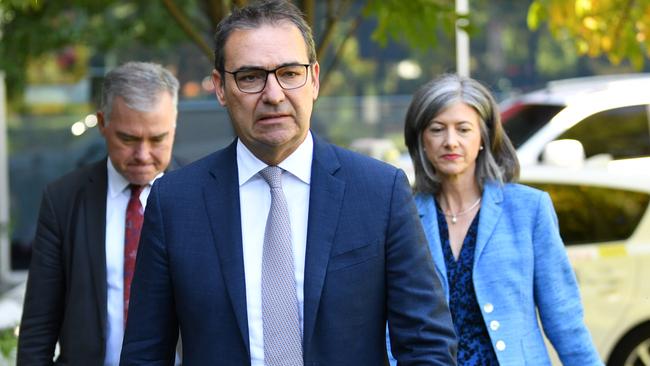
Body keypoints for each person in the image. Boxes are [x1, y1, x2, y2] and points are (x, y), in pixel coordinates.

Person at [119, 1, 457, 365]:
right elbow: (145, 352)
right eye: (250, 77)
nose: (274, 95)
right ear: (220, 88)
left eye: (289, 73)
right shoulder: (174, 202)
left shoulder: (379, 192)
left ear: (313, 79)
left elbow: (427, 345)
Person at [403, 73, 602, 365]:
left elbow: (565, 320)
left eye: (463, 129)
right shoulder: (403, 215)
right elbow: (391, 322)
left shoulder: (529, 209)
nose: (450, 141)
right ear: (421, 139)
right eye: (437, 129)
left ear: (484, 136)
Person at [17, 61, 180, 366]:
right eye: (128, 139)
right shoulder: (64, 199)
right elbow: (39, 326)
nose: (143, 155)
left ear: (174, 123)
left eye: (157, 139)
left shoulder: (200, 194)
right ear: (103, 123)